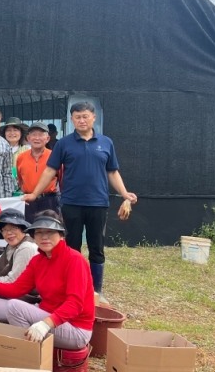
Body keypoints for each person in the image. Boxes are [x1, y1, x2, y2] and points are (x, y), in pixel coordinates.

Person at [23, 102, 137, 295]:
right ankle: (71, 287)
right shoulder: (64, 144)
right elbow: (50, 170)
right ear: (72, 120)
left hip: (98, 203)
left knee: (96, 247)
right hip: (71, 203)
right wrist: (34, 193)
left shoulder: (106, 142)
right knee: (71, 247)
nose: (82, 120)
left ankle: (95, 290)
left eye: (85, 116)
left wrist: (125, 193)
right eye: (77, 117)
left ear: (93, 118)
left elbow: (112, 171)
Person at [0, 212, 94, 353]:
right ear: (33, 235)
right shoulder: (38, 260)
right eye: (39, 232)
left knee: (15, 306)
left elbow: (75, 304)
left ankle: (27, 353)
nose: (44, 237)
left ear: (61, 234)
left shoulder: (75, 260)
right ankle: (25, 340)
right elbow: (16, 288)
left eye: (50, 232)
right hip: (45, 312)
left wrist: (46, 324)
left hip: (74, 328)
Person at [17, 122, 61, 222]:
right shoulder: (21, 157)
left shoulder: (54, 156)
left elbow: (61, 178)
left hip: (49, 201)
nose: (37, 138)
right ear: (28, 138)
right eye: (33, 134)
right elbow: (20, 180)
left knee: (49, 232)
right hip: (28, 202)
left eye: (41, 135)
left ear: (48, 139)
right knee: (29, 232)